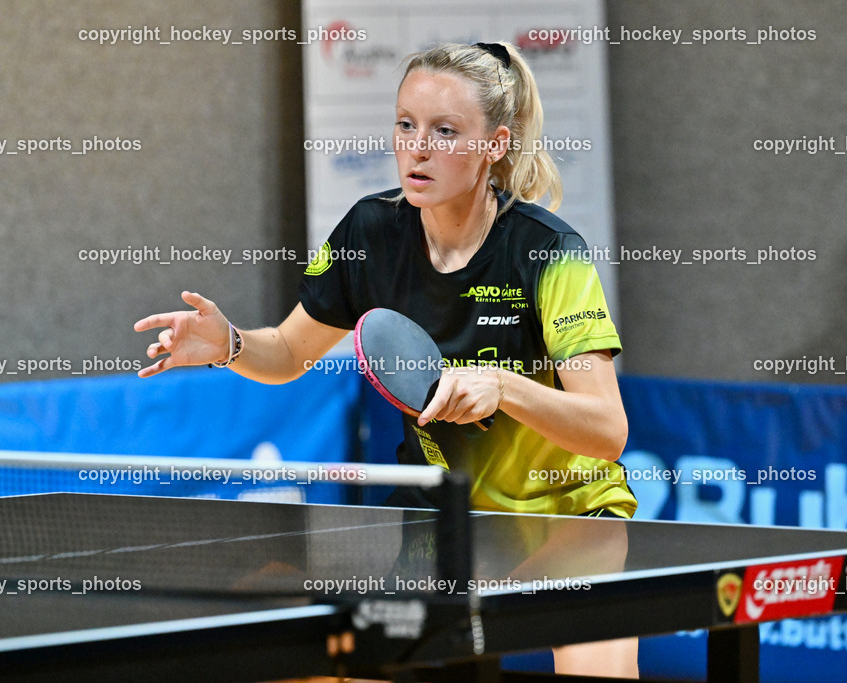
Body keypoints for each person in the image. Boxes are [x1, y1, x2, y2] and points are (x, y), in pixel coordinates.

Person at [135, 41, 638, 678]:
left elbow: (607, 430)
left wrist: (504, 387)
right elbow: (287, 352)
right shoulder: (369, 234)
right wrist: (229, 344)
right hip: (448, 516)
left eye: (445, 131)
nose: (417, 147)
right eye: (405, 124)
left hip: (567, 515)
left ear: (495, 144)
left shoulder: (551, 253)